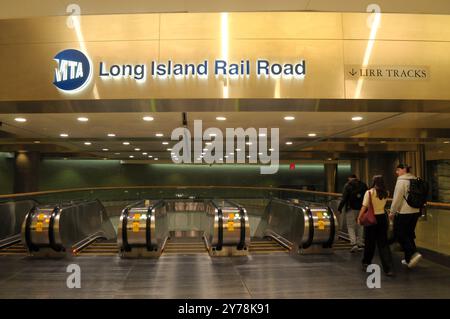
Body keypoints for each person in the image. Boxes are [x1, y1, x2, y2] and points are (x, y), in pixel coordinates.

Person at [357, 175, 394, 276]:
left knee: (370, 242)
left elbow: (364, 207)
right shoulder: (386, 192)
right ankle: (388, 268)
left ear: (373, 182)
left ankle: (366, 262)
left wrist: (359, 217)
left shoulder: (369, 192)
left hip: (371, 219)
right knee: (383, 244)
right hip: (382, 218)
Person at [390, 164, 423, 268]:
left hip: (404, 212)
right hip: (416, 210)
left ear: (403, 170)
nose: (397, 172)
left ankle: (414, 253)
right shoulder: (415, 179)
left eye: (398, 170)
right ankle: (409, 259)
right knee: (409, 233)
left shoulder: (401, 181)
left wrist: (392, 212)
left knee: (400, 234)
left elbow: (397, 198)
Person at [338, 174, 368, 252]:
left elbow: (344, 198)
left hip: (351, 208)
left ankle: (354, 244)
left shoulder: (348, 185)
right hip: (361, 208)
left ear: (349, 178)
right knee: (360, 225)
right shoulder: (363, 185)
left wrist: (340, 208)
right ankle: (360, 243)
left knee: (351, 226)